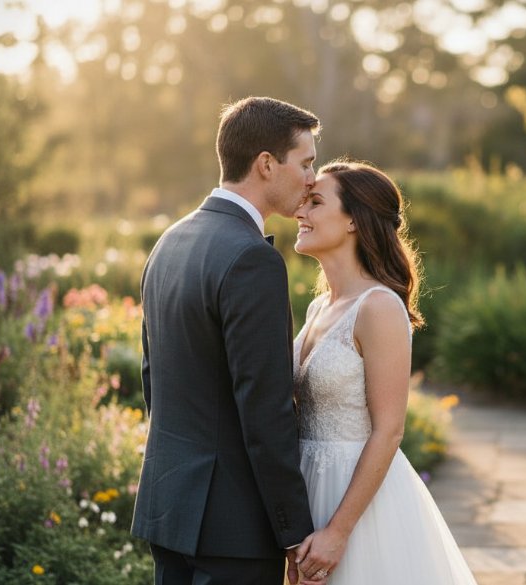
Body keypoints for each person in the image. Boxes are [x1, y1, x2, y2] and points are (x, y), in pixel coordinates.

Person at [131, 97, 326, 585]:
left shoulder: (169, 242)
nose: (311, 180)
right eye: (305, 163)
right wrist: (293, 530)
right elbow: (266, 409)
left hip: (171, 508)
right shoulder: (250, 258)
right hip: (232, 530)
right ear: (266, 164)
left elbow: (154, 378)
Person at [288, 160, 477, 584]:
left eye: (315, 202)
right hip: (308, 483)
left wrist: (338, 532)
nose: (300, 213)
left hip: (357, 500)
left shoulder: (378, 307)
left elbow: (389, 430)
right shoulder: (319, 307)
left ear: (354, 219)